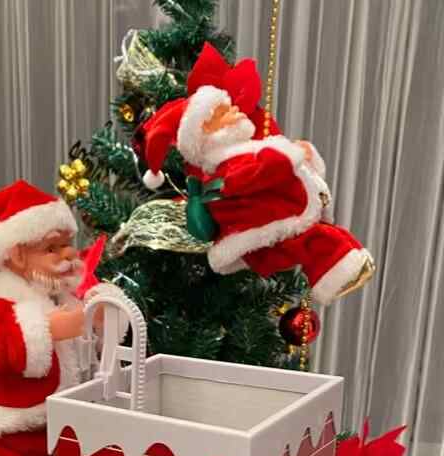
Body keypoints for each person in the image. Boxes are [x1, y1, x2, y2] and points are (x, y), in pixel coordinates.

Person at [0, 180, 125, 456]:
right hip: (23, 418)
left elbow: (94, 342)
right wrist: (46, 330)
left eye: (68, 244)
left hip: (68, 416)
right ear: (17, 256)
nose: (69, 254)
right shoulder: (0, 310)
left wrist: (102, 317)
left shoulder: (67, 295)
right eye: (52, 248)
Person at [141, 84, 374, 305]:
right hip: (267, 228)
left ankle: (349, 268)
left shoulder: (243, 150)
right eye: (224, 113)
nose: (235, 110)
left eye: (230, 106)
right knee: (320, 240)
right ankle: (337, 277)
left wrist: (303, 156)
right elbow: (254, 175)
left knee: (328, 237)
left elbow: (279, 171)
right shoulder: (226, 164)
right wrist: (289, 154)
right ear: (206, 133)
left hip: (282, 219)